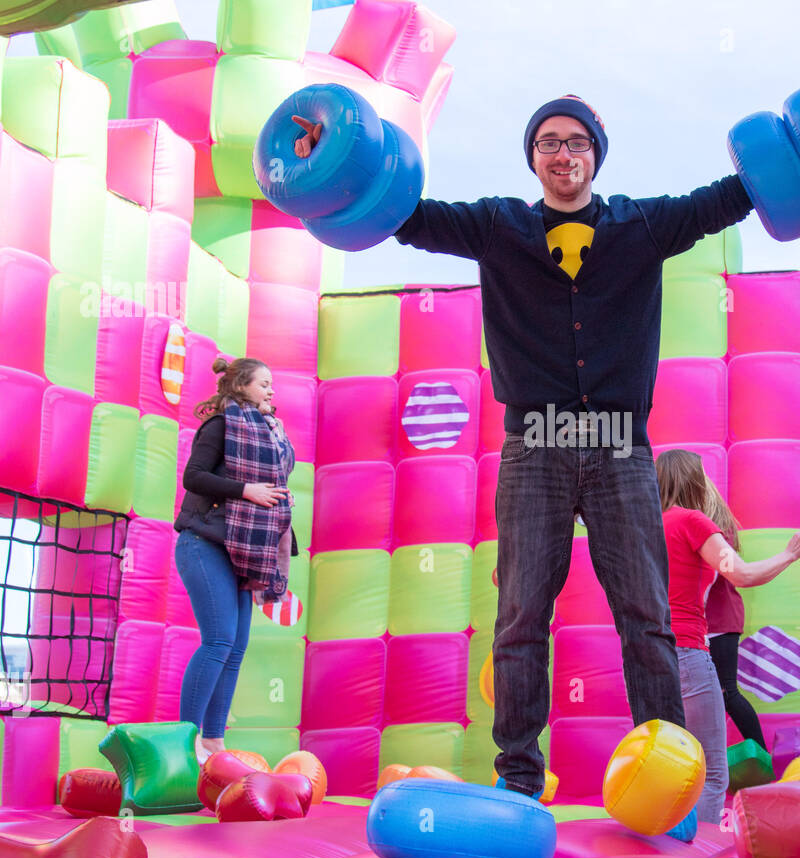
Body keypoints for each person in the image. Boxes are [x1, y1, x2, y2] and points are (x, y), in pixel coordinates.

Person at [294, 95, 755, 798]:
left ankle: (672, 778)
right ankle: (518, 779)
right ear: (533, 158)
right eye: (548, 143)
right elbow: (410, 219)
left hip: (619, 447)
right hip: (533, 449)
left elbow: (715, 203)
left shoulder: (642, 223)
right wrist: (332, 152)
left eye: (576, 142)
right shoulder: (498, 225)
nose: (563, 153)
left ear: (596, 154)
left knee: (647, 616)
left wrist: (773, 165)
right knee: (519, 619)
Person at [655, 449, 800, 825]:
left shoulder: (647, 526)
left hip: (648, 657)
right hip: (687, 650)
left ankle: (667, 844)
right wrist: (789, 555)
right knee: (710, 771)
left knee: (668, 764)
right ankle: (702, 849)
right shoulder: (693, 522)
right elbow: (741, 574)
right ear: (694, 482)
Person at [173, 357, 296, 764]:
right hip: (203, 541)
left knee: (238, 645)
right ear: (241, 385)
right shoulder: (221, 425)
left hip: (239, 548)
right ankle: (184, 738)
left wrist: (276, 499)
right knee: (219, 639)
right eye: (264, 383)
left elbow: (271, 485)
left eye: (272, 384)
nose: (271, 391)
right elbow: (194, 476)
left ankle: (213, 740)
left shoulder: (268, 432)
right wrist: (246, 490)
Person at [700, 477, 767, 751]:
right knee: (717, 694)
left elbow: (717, 576)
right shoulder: (711, 527)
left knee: (727, 691)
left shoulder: (712, 531)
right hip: (714, 622)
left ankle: (761, 755)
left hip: (718, 622)